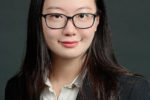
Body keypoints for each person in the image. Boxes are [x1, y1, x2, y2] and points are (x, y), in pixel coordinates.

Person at [5, 0, 150, 100]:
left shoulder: (131, 91)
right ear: (39, 21)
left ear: (98, 21)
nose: (69, 30)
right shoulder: (17, 88)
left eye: (82, 16)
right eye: (56, 16)